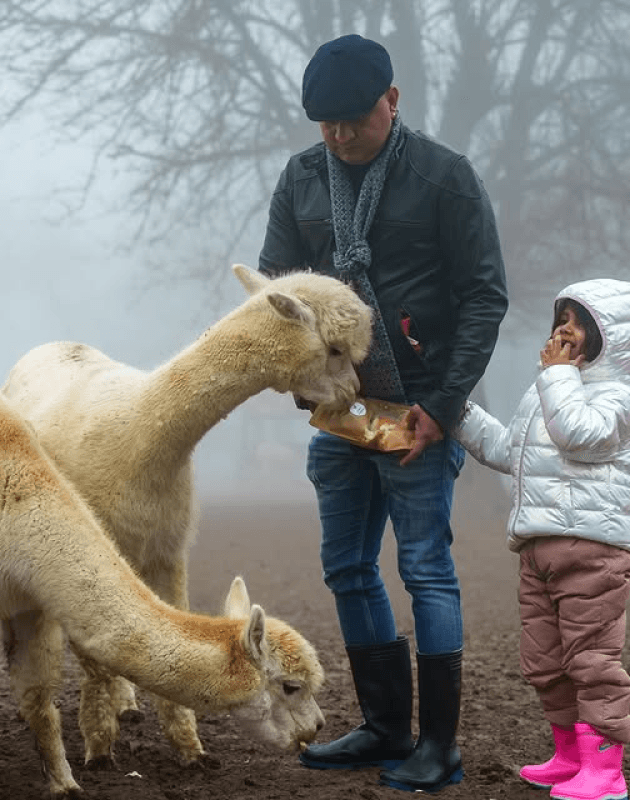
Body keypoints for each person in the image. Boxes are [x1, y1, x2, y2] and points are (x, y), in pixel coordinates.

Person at [258, 34, 508, 793]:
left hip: (419, 418)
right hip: (339, 417)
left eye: (352, 121)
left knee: (426, 572)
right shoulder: (300, 179)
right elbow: (277, 284)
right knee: (346, 569)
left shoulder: (445, 178)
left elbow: (485, 297)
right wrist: (299, 374)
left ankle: (438, 747)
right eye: (324, 123)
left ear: (391, 102)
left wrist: (439, 405)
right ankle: (383, 728)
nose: (337, 136)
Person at [454, 278, 630, 800]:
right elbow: (513, 452)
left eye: (579, 321)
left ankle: (606, 771)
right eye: (563, 316)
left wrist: (556, 376)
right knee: (545, 661)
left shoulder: (618, 393)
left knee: (592, 661)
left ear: (611, 335)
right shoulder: (554, 388)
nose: (564, 329)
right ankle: (570, 757)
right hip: (537, 546)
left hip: (593, 549)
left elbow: (581, 434)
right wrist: (458, 413)